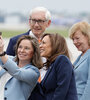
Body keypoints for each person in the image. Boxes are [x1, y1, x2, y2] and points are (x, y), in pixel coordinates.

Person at [29, 33, 78, 100]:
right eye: (40, 43)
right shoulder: (51, 65)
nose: (40, 46)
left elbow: (61, 90)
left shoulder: (62, 60)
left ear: (54, 45)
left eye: (43, 43)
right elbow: (41, 91)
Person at [0, 35, 43, 100]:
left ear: (34, 52)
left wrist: (1, 53)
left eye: (27, 48)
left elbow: (17, 72)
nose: (22, 50)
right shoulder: (10, 59)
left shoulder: (34, 72)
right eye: (20, 47)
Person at [69, 21, 90, 100]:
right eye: (73, 39)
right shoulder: (80, 56)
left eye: (77, 38)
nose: (74, 42)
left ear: (87, 36)